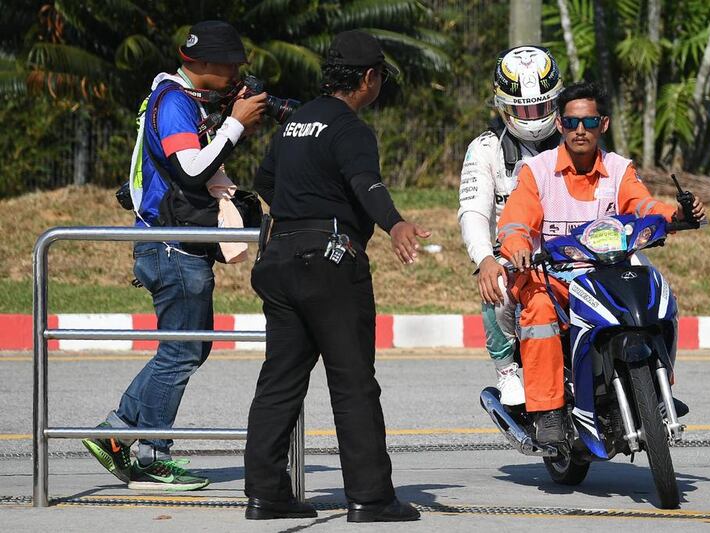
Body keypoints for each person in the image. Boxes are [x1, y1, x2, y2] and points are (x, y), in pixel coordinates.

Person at [244, 30, 427, 522]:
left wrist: (301, 205)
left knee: (280, 380)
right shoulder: (350, 129)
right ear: (369, 78)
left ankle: (265, 494)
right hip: (330, 262)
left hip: (279, 259)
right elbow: (366, 182)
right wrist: (395, 223)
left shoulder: (295, 123)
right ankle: (370, 497)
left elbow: (265, 182)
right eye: (381, 76)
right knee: (352, 384)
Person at [82, 21, 267, 491]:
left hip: (170, 242)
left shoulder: (175, 100)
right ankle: (141, 447)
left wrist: (228, 115)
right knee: (182, 351)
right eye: (228, 63)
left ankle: (125, 435)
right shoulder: (176, 103)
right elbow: (189, 169)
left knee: (189, 347)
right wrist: (235, 126)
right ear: (199, 64)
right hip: (171, 246)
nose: (234, 70)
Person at [497, 81, 706, 445]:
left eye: (589, 122)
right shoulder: (537, 170)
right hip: (554, 277)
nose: (581, 130)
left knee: (658, 297)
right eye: (572, 122)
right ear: (560, 125)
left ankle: (659, 388)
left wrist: (674, 216)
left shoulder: (619, 169)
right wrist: (515, 244)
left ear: (603, 125)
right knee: (540, 311)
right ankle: (547, 411)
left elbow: (641, 206)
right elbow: (517, 217)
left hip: (607, 274)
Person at [458, 46, 562, 406]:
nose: (533, 118)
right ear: (504, 108)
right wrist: (485, 259)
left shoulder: (577, 141)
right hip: (517, 260)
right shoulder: (484, 149)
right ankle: (506, 371)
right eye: (523, 110)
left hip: (576, 254)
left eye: (541, 107)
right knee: (495, 285)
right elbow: (472, 211)